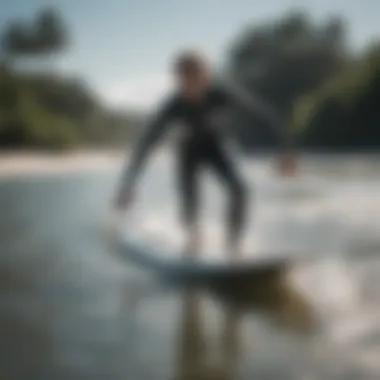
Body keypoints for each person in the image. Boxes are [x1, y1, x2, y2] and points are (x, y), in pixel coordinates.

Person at [113, 49, 296, 259]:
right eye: (187, 82)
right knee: (191, 204)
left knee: (240, 191)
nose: (193, 88)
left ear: (206, 77)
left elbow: (261, 115)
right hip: (188, 151)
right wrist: (128, 185)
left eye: (198, 80)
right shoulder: (172, 106)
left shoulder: (220, 93)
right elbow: (145, 145)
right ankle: (193, 240)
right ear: (179, 82)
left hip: (214, 145)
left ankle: (233, 245)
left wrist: (286, 149)